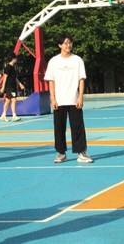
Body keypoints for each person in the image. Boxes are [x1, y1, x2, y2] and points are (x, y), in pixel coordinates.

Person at [44, 34, 93, 164]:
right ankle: (61, 153)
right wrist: (52, 98)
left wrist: (80, 96)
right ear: (60, 45)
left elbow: (81, 79)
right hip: (59, 100)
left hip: (74, 99)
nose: (68, 45)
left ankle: (81, 152)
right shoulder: (54, 61)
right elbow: (51, 81)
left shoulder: (77, 60)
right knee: (59, 128)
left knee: (78, 127)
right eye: (65, 43)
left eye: (70, 42)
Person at [0, 53, 25, 122]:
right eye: (15, 58)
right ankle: (14, 115)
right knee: (14, 99)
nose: (16, 59)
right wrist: (3, 87)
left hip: (13, 86)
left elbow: (14, 78)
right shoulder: (8, 67)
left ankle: (3, 115)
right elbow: (5, 77)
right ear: (13, 59)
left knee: (8, 100)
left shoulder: (13, 67)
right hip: (9, 87)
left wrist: (20, 84)